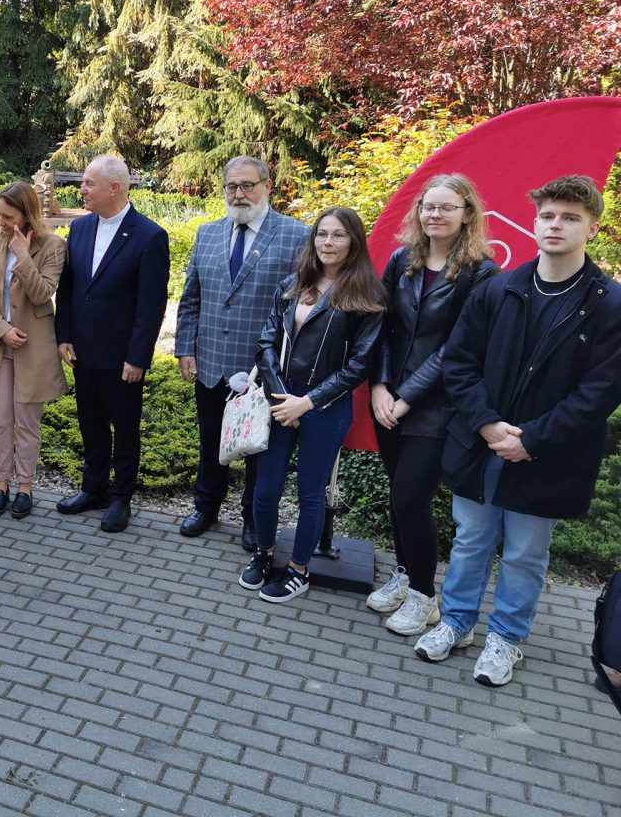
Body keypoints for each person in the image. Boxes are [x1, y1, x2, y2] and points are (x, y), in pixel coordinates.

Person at [415, 176, 621, 686]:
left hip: (548, 454)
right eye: (549, 215)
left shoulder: (610, 306)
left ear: (591, 229)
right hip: (481, 444)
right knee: (470, 539)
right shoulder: (497, 288)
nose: (556, 225)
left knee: (526, 553)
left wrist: (530, 438)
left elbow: (600, 392)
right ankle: (458, 622)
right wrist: (488, 425)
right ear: (534, 223)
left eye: (570, 218)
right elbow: (459, 363)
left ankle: (506, 638)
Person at [365, 175, 498, 635]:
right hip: (388, 401)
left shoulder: (481, 271)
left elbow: (458, 347)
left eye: (446, 207)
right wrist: (380, 386)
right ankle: (405, 575)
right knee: (399, 498)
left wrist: (405, 398)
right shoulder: (403, 260)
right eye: (428, 206)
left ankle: (425, 596)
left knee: (411, 498)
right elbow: (381, 328)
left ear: (467, 212)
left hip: (437, 407)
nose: (435, 214)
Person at [241, 206, 384, 602]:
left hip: (325, 405)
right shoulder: (292, 284)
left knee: (310, 493)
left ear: (354, 241)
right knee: (266, 489)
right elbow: (266, 343)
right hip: (280, 400)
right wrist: (279, 393)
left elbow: (359, 366)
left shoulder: (366, 296)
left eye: (338, 235)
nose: (328, 242)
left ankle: (299, 569)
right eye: (322, 234)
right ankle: (264, 553)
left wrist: (307, 402)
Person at [174, 156, 308, 550]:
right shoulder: (207, 233)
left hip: (262, 368)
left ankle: (253, 518)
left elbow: (301, 305)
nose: (239, 194)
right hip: (211, 361)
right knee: (211, 440)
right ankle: (206, 506)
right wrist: (185, 348)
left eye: (248, 185)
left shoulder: (296, 236)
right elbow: (190, 299)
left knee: (256, 448)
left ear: (267, 186)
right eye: (232, 186)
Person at [54, 155, 170, 533]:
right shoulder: (81, 228)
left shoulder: (150, 236)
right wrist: (64, 335)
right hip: (84, 351)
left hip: (122, 358)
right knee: (90, 423)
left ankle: (121, 498)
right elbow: (68, 289)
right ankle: (95, 489)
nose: (81, 189)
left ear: (114, 188)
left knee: (125, 427)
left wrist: (138, 357)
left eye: (88, 183)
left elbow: (151, 306)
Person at [0, 181, 68, 518]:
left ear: (27, 215)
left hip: (33, 347)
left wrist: (24, 257)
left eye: (7, 216)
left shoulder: (53, 245)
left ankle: (25, 486)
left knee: (27, 421)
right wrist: (1, 328)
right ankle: (0, 484)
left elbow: (43, 295)